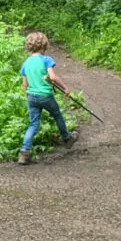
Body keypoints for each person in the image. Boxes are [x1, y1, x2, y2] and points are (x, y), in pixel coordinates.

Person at [18, 32, 79, 165]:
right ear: (44, 45)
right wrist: (65, 88)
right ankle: (67, 138)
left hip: (31, 96)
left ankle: (24, 152)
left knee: (33, 124)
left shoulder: (26, 63)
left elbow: (25, 84)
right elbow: (52, 77)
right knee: (57, 115)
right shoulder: (46, 60)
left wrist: (27, 94)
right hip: (45, 96)